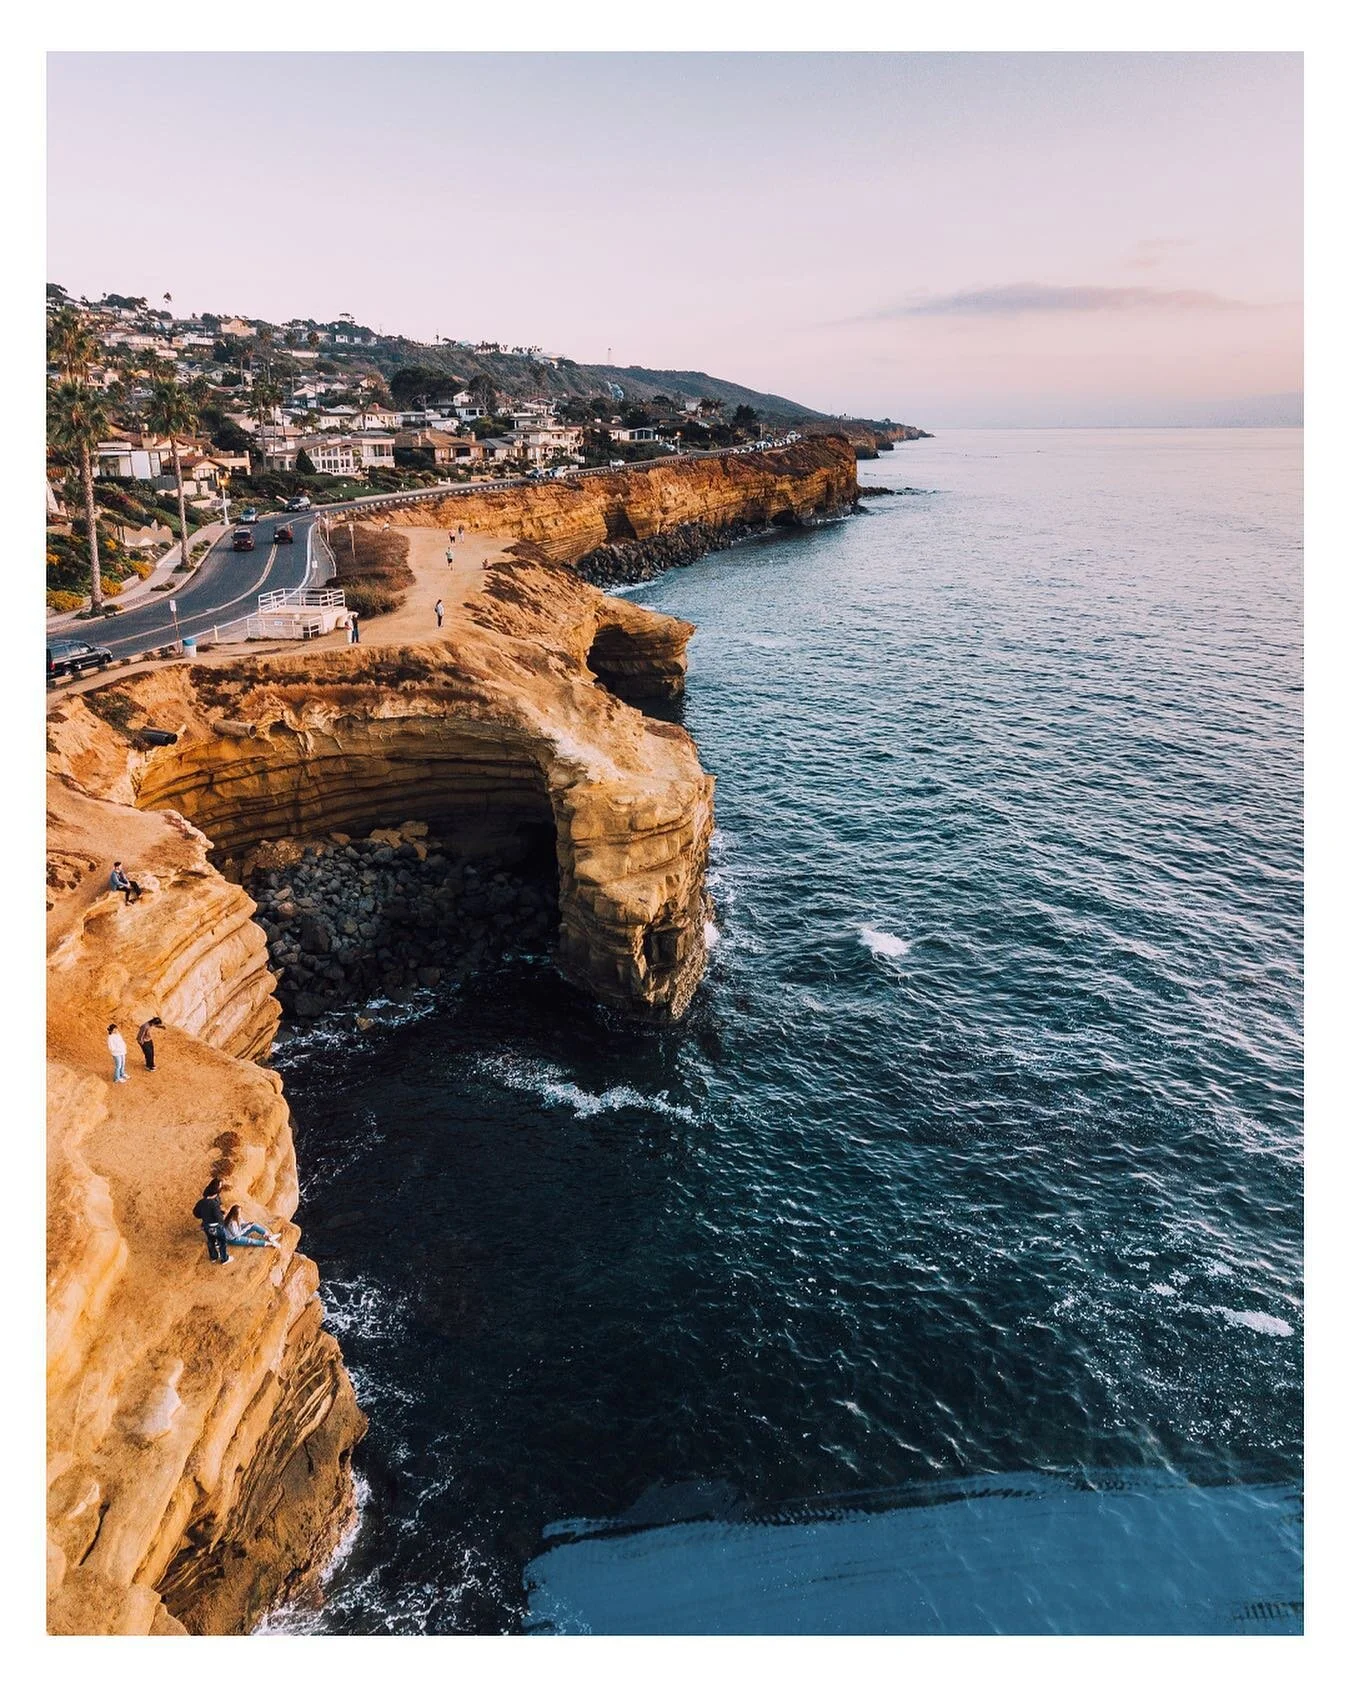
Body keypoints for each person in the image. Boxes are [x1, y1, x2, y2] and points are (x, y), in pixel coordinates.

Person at [193, 1179, 230, 1264]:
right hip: (216, 1226)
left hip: (206, 1225)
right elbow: (219, 1219)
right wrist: (223, 1215)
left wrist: (205, 1216)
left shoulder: (201, 1202)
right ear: (216, 1192)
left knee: (210, 1241)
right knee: (222, 1242)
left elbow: (196, 1213)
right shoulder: (214, 1204)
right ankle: (224, 1259)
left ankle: (213, 1257)